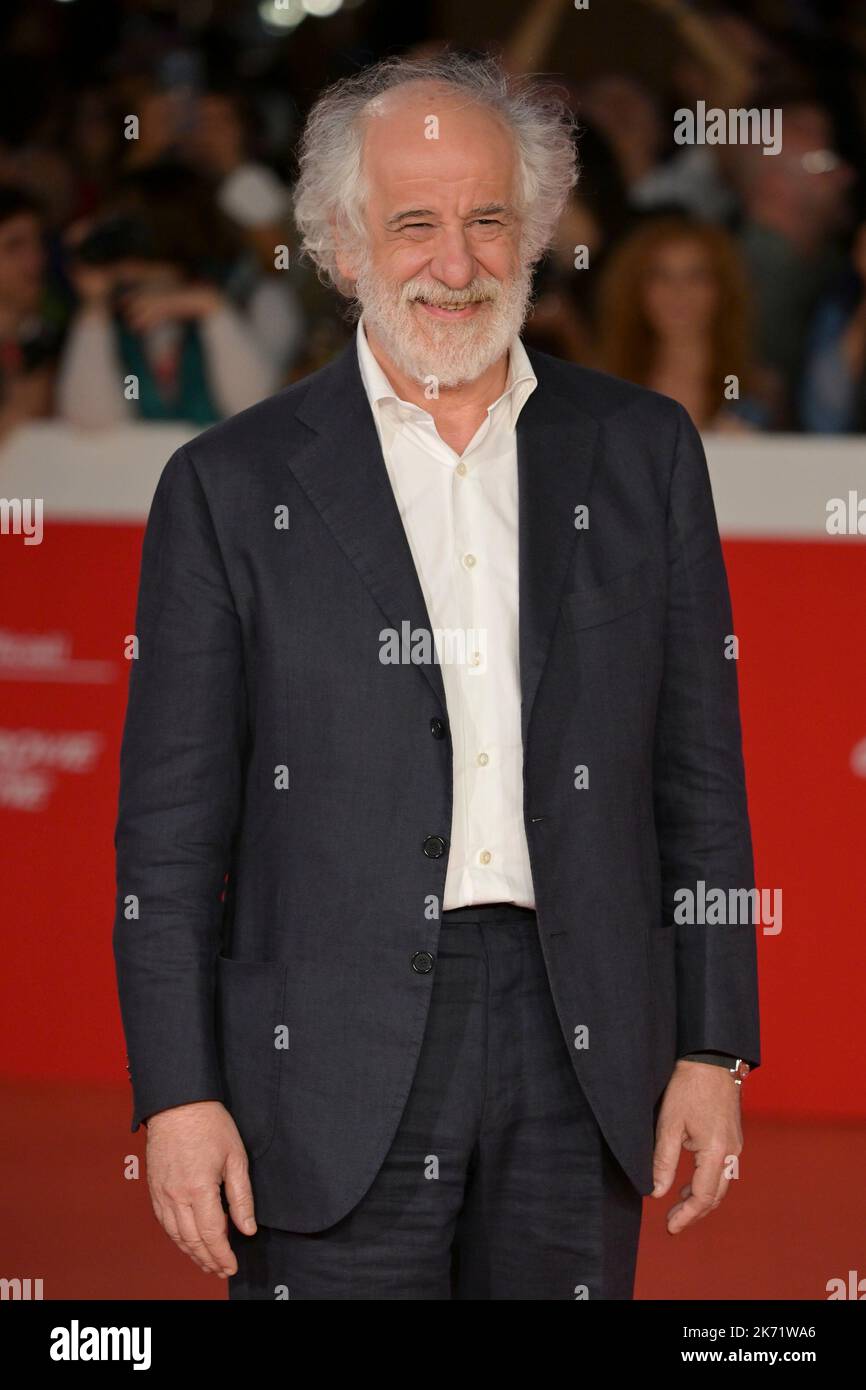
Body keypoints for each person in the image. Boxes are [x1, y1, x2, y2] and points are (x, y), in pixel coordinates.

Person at [113, 54, 761, 1302]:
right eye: (414, 223)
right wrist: (180, 1093)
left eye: (486, 221)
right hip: (324, 1058)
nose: (454, 264)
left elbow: (700, 782)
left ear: (534, 231)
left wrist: (712, 1043)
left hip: (582, 1043)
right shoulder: (229, 486)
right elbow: (170, 838)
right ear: (344, 246)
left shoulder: (640, 451)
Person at [597, 214, 771, 431]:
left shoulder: (758, 390)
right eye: (661, 276)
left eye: (696, 277)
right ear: (636, 291)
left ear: (723, 291)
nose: (678, 292)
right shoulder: (603, 386)